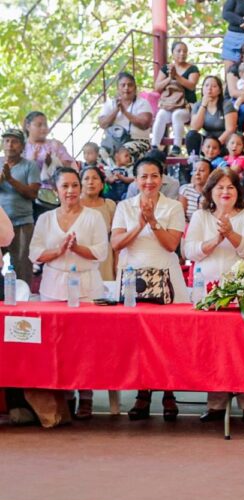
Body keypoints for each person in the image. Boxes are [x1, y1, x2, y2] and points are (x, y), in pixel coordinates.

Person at [184, 168, 244, 423]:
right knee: (214, 349)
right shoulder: (200, 216)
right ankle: (216, 403)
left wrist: (230, 233)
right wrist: (217, 238)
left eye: (230, 187)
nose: (225, 192)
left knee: (243, 350)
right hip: (209, 294)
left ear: (238, 191)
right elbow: (191, 251)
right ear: (210, 191)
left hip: (242, 295)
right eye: (220, 187)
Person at [111, 157, 188, 421]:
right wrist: (139, 224)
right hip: (133, 279)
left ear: (162, 179)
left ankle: (169, 393)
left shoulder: (174, 207)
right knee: (139, 339)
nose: (149, 182)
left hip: (166, 277)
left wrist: (153, 221)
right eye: (143, 176)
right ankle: (142, 394)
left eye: (154, 176)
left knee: (168, 339)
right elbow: (117, 243)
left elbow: (170, 245)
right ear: (135, 179)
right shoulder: (124, 206)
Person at [29, 168, 109, 421]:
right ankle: (64, 396)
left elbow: (101, 252)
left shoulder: (94, 216)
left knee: (86, 344)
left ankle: (86, 396)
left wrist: (77, 248)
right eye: (65, 186)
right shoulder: (45, 219)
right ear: (56, 189)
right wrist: (58, 250)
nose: (71, 191)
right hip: (53, 286)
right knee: (57, 344)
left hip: (86, 286)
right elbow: (35, 253)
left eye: (75, 185)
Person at [0, 128, 41, 286]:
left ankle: (25, 303)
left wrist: (10, 180)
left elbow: (32, 193)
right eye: (7, 141)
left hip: (22, 223)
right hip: (1, 225)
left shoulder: (30, 166)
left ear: (22, 147)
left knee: (22, 266)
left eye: (15, 141)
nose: (10, 145)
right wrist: (2, 178)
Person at [150, 41, 200, 156]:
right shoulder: (166, 68)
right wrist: (169, 78)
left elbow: (191, 85)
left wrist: (176, 76)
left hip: (186, 106)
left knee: (177, 115)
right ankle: (154, 146)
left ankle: (176, 147)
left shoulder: (193, 69)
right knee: (161, 114)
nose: (182, 54)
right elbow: (157, 87)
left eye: (184, 51)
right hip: (169, 105)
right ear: (172, 53)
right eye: (179, 51)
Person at [97, 72, 153, 160]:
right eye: (123, 85)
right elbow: (102, 124)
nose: (126, 88)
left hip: (138, 141)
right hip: (113, 141)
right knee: (100, 153)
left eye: (130, 85)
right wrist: (116, 111)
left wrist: (125, 112)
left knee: (123, 152)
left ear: (135, 88)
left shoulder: (143, 103)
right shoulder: (109, 104)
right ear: (118, 88)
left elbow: (144, 124)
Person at [22, 111, 76, 196]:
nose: (43, 128)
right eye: (39, 125)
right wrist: (33, 160)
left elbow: (69, 167)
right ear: (28, 126)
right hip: (28, 193)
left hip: (54, 194)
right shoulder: (22, 147)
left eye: (45, 125)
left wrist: (53, 162)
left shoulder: (55, 145)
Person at [80, 166, 117, 282]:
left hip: (104, 257)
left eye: (95, 178)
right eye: (86, 179)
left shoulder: (109, 205)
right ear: (80, 184)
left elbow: (115, 237)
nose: (90, 182)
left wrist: (117, 263)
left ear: (101, 185)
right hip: (79, 253)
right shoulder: (74, 205)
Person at [179, 158, 213, 222]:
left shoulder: (214, 192)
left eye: (202, 170)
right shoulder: (186, 189)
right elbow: (180, 216)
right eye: (195, 170)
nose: (197, 173)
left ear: (210, 174)